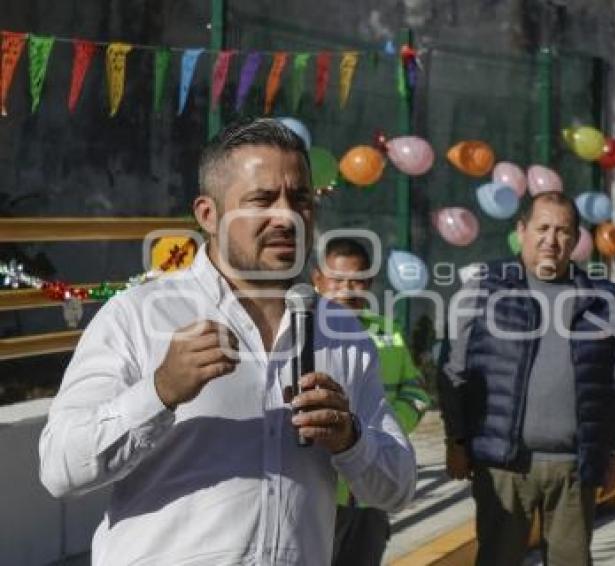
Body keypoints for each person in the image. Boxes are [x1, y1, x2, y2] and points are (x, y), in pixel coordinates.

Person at [38, 118, 416, 566]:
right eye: (261, 200)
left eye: (300, 199)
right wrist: (159, 392)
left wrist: (350, 439)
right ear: (208, 214)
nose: (286, 216)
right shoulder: (138, 316)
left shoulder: (345, 333)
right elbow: (60, 469)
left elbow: (397, 489)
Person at [438, 192, 615, 566]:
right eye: (542, 228)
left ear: (576, 240)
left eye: (563, 231)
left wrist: (612, 452)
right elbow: (454, 370)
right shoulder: (486, 288)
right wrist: (456, 439)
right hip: (504, 467)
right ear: (522, 231)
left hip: (574, 469)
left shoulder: (601, 299)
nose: (552, 240)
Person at [311, 237, 431, 566]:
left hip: (371, 490)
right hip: (319, 492)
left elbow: (416, 392)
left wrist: (382, 427)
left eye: (357, 280)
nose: (347, 289)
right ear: (317, 281)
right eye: (337, 280)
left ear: (369, 284)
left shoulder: (388, 332)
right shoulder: (299, 334)